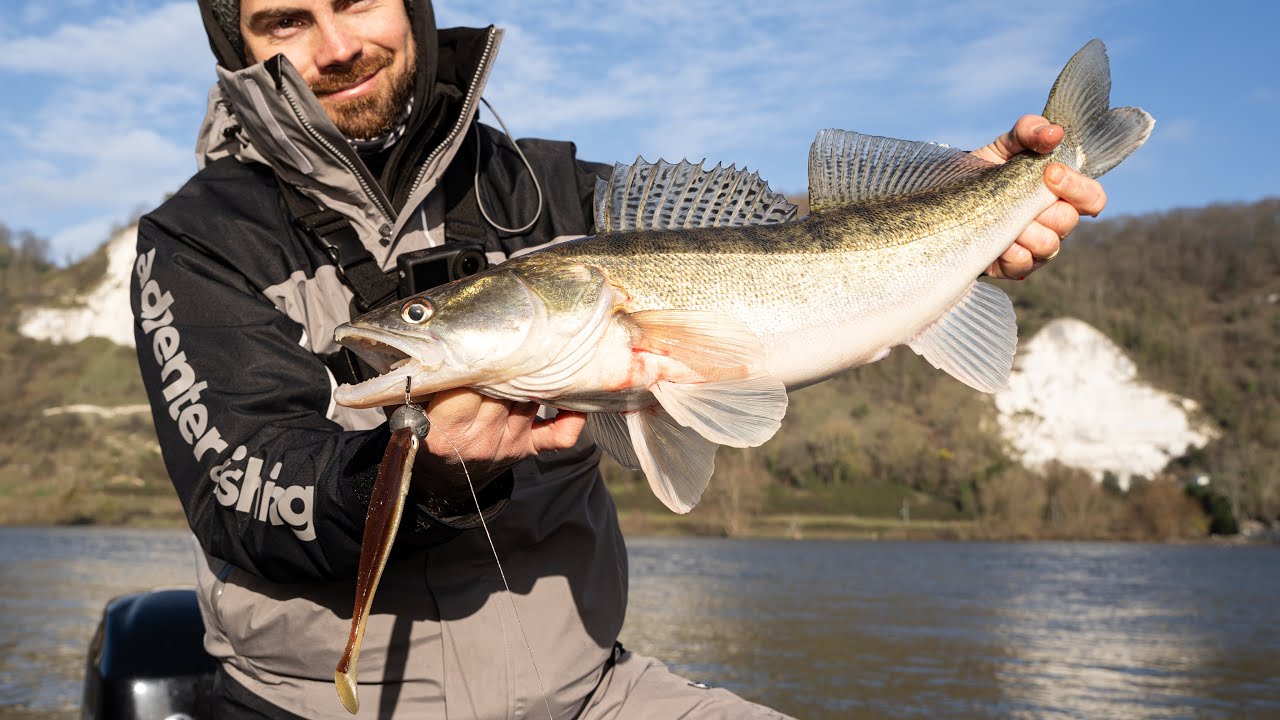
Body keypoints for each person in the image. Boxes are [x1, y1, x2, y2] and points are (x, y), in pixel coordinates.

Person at [131, 1, 1108, 717]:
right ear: (238, 50)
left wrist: (971, 199)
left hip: (588, 696)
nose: (339, 44)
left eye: (356, 1)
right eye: (286, 20)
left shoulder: (556, 191)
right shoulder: (199, 243)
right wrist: (420, 475)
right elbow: (242, 501)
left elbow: (799, 237)